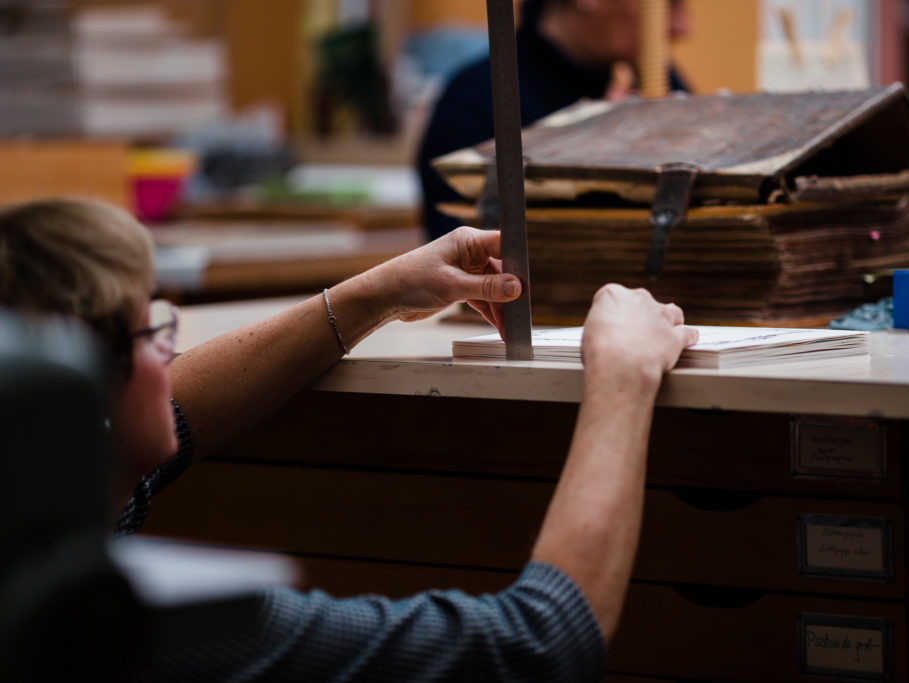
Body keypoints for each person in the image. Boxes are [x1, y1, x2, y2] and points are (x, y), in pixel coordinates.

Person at [0, 197, 698, 681]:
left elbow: (169, 418)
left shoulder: (24, 536)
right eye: (152, 335)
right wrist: (624, 373)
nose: (169, 357)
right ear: (75, 398)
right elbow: (537, 645)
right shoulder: (122, 630)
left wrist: (376, 295)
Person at [415, 0, 691, 241]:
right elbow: (465, 263)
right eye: (670, 4)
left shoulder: (657, 81)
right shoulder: (475, 102)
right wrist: (592, 149)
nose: (682, 28)